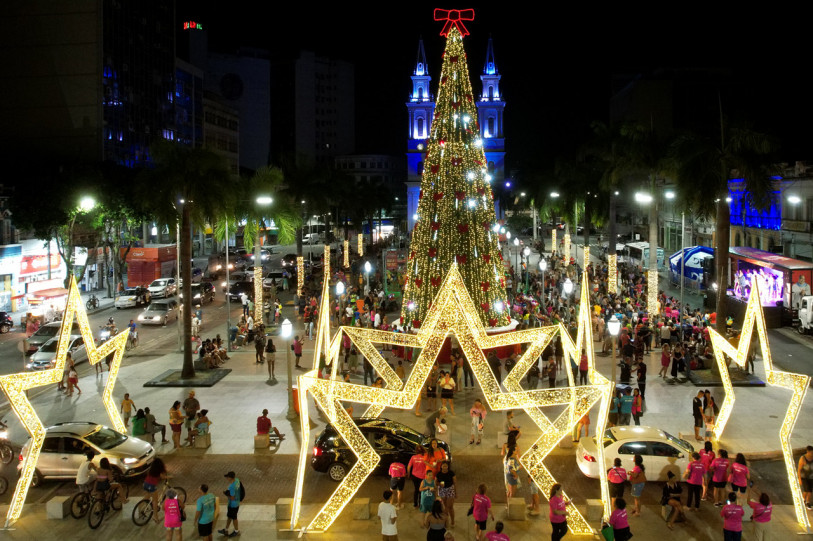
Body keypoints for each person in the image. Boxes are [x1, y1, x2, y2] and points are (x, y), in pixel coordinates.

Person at [218, 471, 242, 537]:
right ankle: (226, 530)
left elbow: (232, 498)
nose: (227, 478)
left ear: (230, 478)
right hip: (237, 502)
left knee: (234, 518)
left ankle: (236, 531)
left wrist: (226, 494)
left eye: (227, 477)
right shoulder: (237, 480)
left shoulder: (232, 487)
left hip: (233, 505)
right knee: (229, 517)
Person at [436, 460, 456, 527]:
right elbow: (436, 483)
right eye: (443, 466)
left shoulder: (451, 473)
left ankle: (452, 521)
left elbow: (455, 483)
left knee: (449, 507)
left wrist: (456, 492)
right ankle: (446, 520)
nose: (444, 467)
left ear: (448, 467)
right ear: (441, 466)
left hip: (450, 489)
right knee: (445, 506)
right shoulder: (438, 474)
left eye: (446, 466)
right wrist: (439, 484)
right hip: (442, 490)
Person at [797, 445, 813, 509]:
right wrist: (799, 478)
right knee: (807, 490)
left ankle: (807, 502)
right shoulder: (803, 458)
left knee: (809, 491)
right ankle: (804, 501)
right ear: (808, 451)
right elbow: (799, 469)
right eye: (811, 452)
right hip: (804, 477)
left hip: (811, 477)